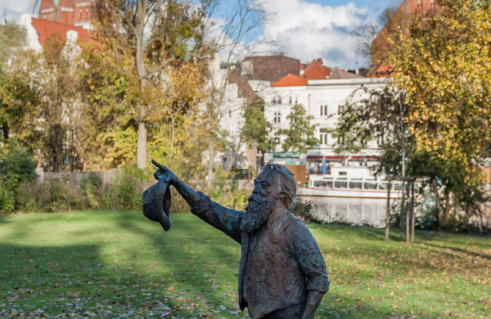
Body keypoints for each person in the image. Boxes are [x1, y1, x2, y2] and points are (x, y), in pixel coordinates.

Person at [154, 163, 329, 319]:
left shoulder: (295, 230)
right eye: (256, 184)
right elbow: (210, 210)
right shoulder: (249, 224)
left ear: (282, 194)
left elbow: (318, 278)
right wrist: (177, 183)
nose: (256, 190)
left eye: (265, 185)